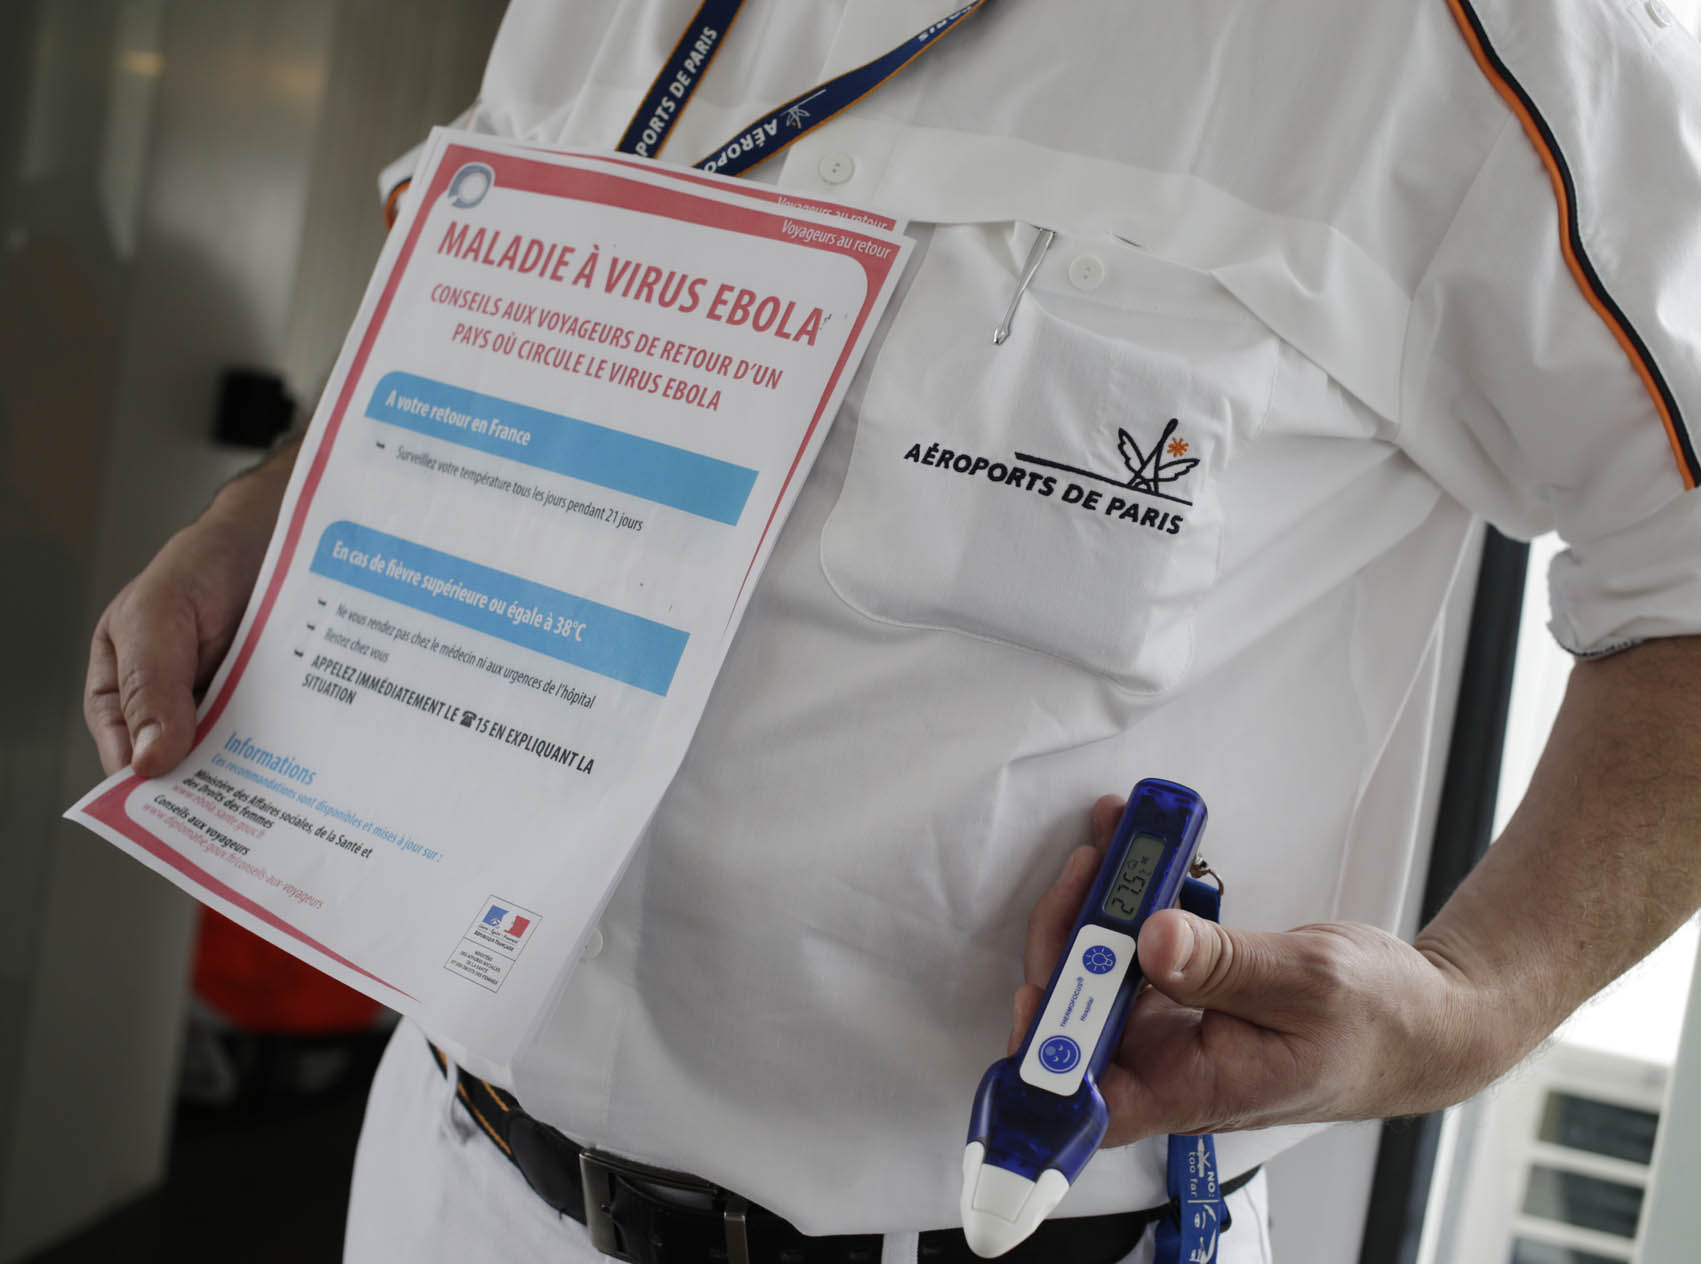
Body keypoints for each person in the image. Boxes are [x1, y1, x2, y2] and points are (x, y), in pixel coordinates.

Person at [84, 1, 1701, 1260]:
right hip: (452, 1171)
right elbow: (460, 278)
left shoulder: (1469, 47)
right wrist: (264, 508)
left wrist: (1477, 1003)